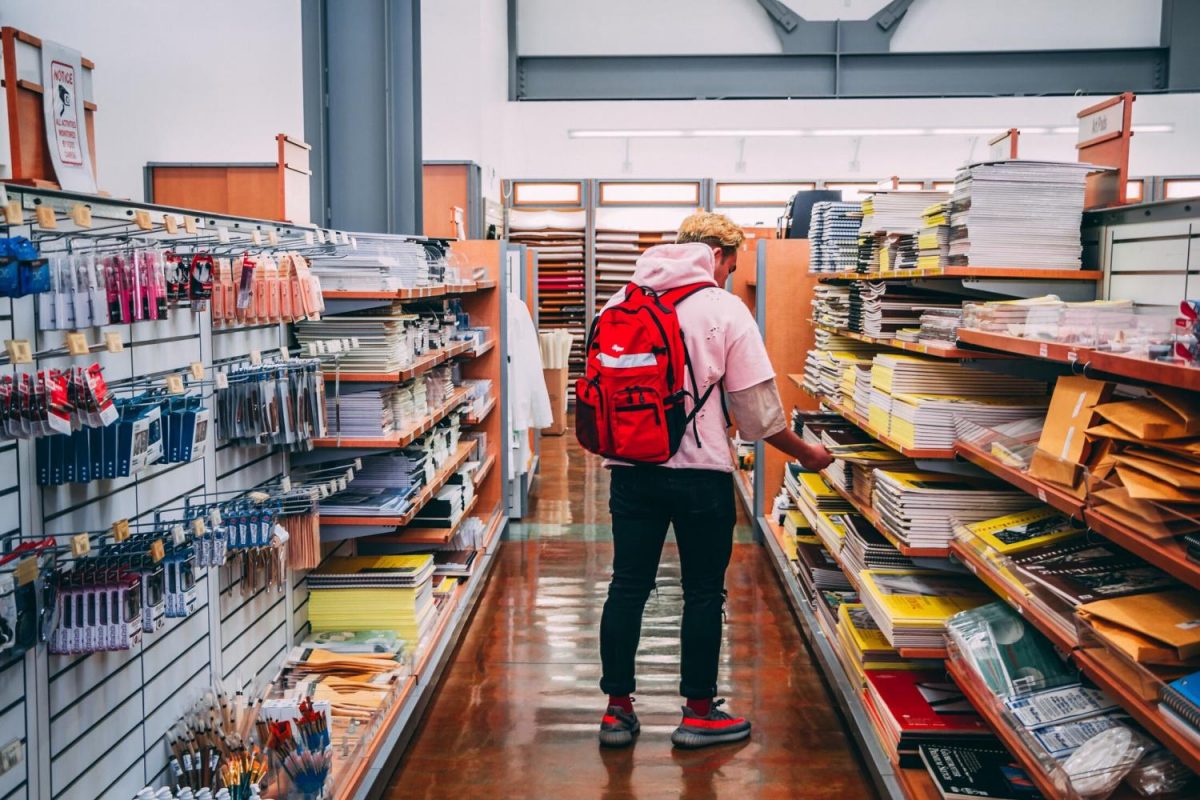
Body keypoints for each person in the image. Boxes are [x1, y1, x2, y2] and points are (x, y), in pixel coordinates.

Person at [594, 212, 834, 750]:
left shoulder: (619, 301)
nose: (729, 272)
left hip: (631, 471)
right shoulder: (726, 310)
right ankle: (699, 713)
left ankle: (616, 712)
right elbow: (758, 418)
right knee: (703, 592)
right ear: (721, 256)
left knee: (627, 586)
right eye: (732, 262)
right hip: (700, 476)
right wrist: (808, 453)